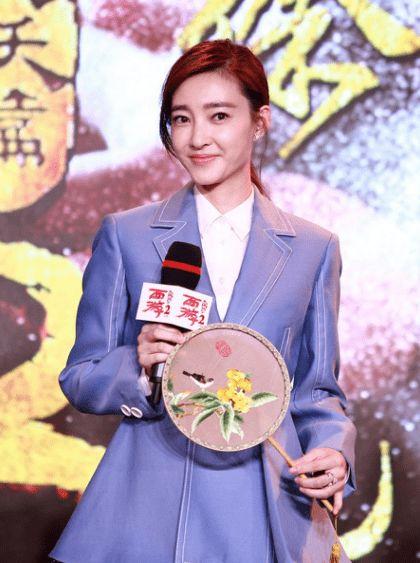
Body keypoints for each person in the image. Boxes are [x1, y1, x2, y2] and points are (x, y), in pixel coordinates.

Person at [50, 39, 356, 563]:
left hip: (263, 501)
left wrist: (333, 452)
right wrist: (140, 369)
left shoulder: (313, 248)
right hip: (152, 502)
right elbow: (82, 375)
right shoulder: (127, 235)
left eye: (219, 116)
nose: (197, 138)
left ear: (259, 121)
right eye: (181, 119)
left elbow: (316, 390)